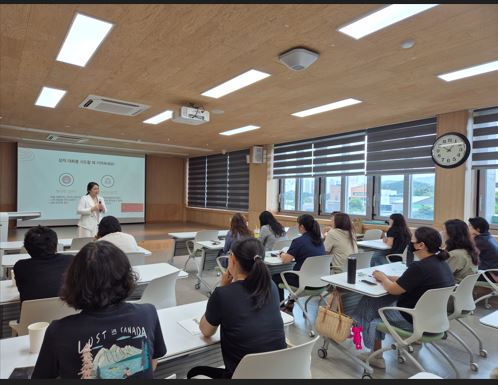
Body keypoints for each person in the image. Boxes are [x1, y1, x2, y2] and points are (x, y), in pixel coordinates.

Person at [32, 241, 166, 379]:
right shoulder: (148, 313)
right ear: (126, 276)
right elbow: (152, 363)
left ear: (74, 282)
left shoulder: (58, 331)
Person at [351, 227, 454, 369]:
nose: (409, 244)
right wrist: (387, 277)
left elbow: (394, 290)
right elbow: (410, 280)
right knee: (374, 302)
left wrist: (382, 277)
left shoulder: (419, 267)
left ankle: (374, 353)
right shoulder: (440, 263)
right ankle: (358, 329)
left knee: (370, 305)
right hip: (436, 320)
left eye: (412, 241)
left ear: (421, 245)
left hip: (413, 320)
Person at [187, 238, 286, 379]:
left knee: (194, 373)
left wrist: (222, 287)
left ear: (232, 260)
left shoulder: (223, 294)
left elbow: (206, 331)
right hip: (276, 372)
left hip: (241, 375)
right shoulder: (271, 286)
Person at [272, 214, 326, 308]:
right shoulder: (320, 241)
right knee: (294, 273)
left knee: (275, 277)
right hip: (320, 282)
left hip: (303, 281)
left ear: (302, 227)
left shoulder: (299, 241)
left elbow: (286, 260)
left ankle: (279, 307)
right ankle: (290, 303)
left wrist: (281, 254)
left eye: (298, 225)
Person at [13, 226, 73, 303]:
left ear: (27, 248)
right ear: (56, 245)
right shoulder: (71, 260)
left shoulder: (20, 266)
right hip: (70, 311)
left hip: (33, 314)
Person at [443, 219, 479, 283]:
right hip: (464, 289)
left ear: (451, 234)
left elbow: (442, 276)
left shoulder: (455, 255)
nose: (442, 233)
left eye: (444, 230)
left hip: (453, 290)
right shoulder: (470, 250)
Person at [468, 217, 498, 282]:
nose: (468, 228)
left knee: (462, 274)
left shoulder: (480, 241)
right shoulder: (489, 237)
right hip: (494, 272)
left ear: (478, 229)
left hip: (491, 275)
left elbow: (466, 253)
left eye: (470, 226)